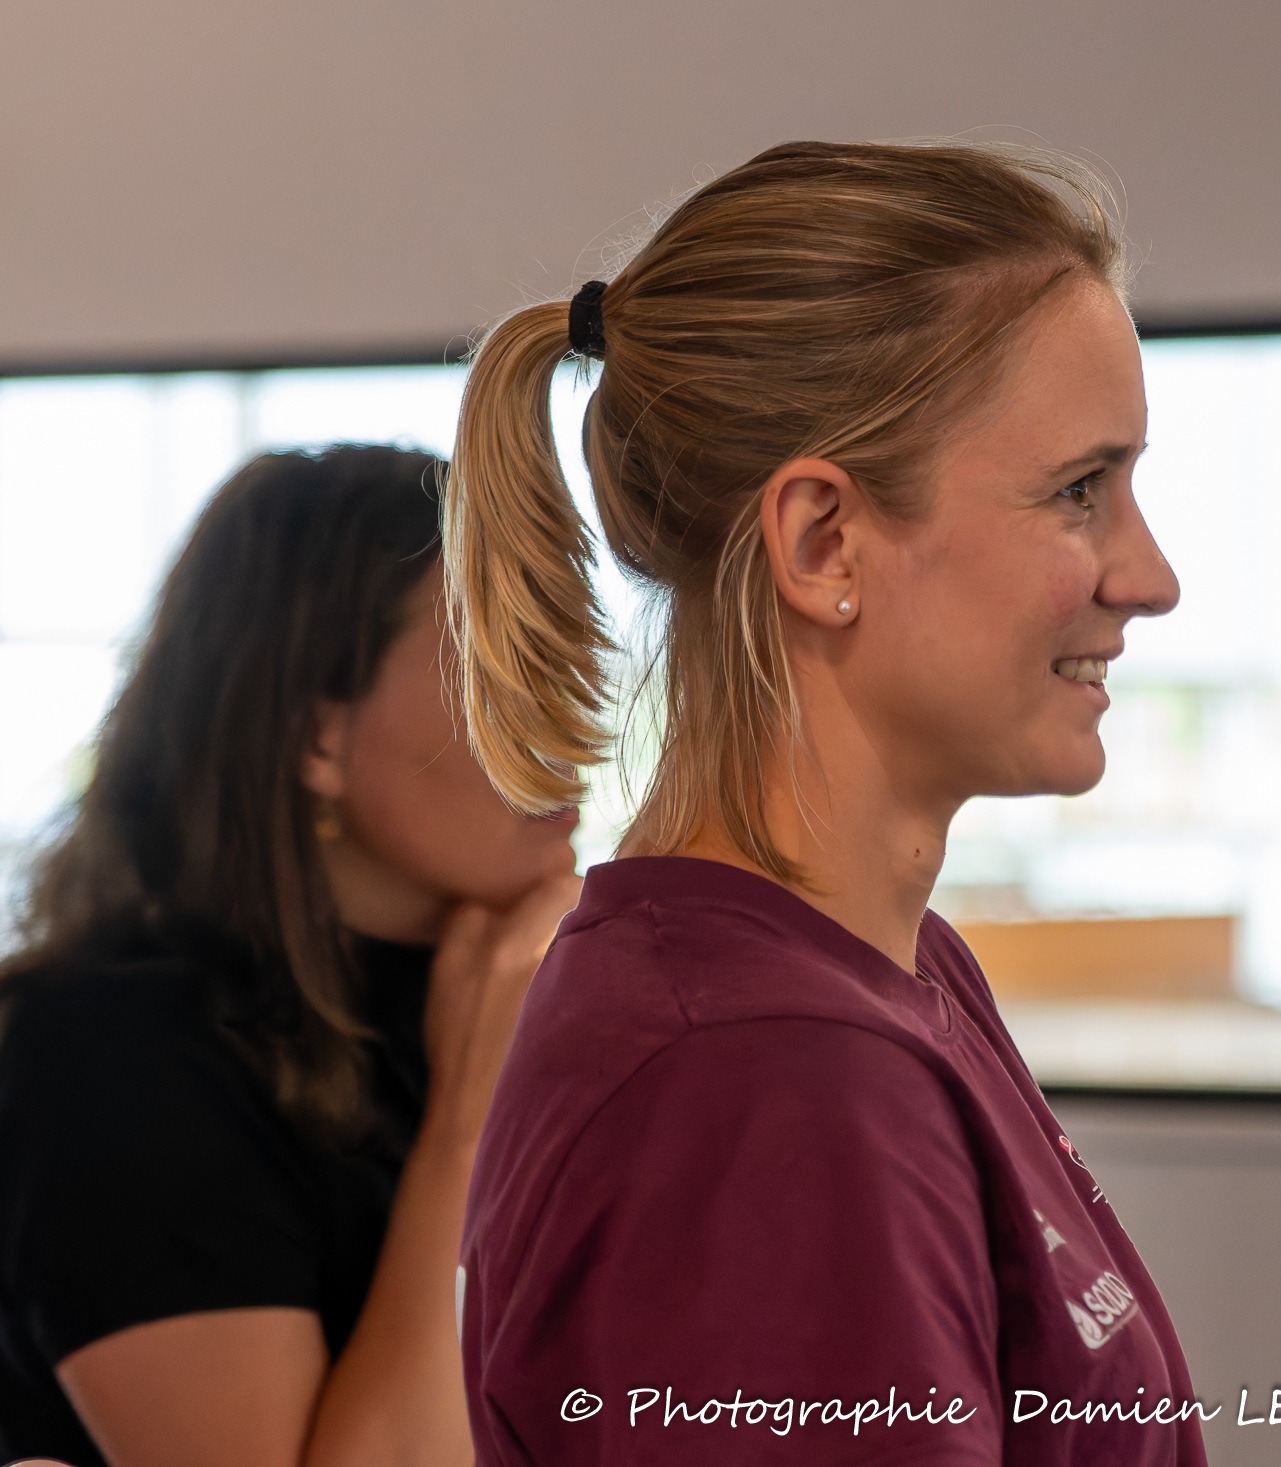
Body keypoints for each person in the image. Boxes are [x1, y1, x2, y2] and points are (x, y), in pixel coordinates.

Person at [448, 140, 1205, 1464]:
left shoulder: (883, 975)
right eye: (1079, 492)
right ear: (822, 543)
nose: (1150, 576)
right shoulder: (766, 1072)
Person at [0, 445, 582, 1467]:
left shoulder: (503, 1001)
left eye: (571, 660)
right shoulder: (109, 1056)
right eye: (503, 664)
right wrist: (471, 1126)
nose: (570, 721)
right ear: (316, 736)